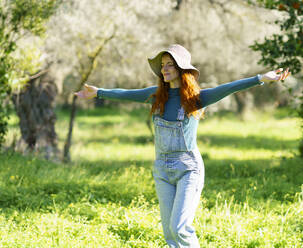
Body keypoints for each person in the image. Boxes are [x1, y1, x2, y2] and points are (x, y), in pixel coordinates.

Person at [75, 44, 290, 248]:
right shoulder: (156, 95)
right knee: (169, 233)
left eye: (170, 64)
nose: (164, 69)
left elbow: (229, 88)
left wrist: (261, 78)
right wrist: (98, 92)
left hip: (188, 169)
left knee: (179, 228)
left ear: (181, 69)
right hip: (162, 170)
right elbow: (126, 93)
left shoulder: (196, 98)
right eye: (162, 65)